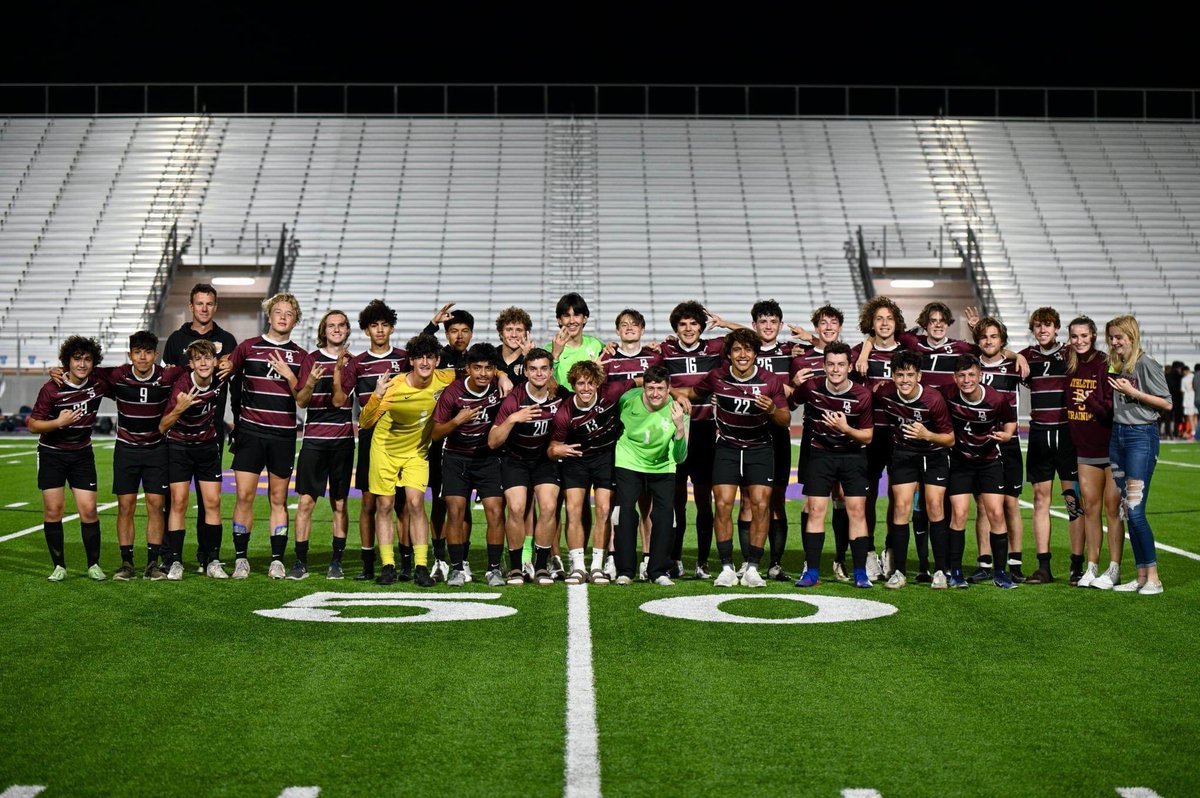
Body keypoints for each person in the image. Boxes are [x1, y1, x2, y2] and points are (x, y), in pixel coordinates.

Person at [671, 328, 790, 588]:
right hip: (726, 448)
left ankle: (753, 568)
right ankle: (726, 567)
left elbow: (785, 419)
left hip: (759, 448)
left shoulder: (770, 381)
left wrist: (770, 408)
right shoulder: (716, 377)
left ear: (756, 353)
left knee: (760, 505)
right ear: (730, 354)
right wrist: (672, 392)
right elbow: (691, 393)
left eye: (748, 349)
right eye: (737, 349)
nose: (743, 354)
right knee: (723, 505)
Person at [217, 292, 305, 579]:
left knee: (278, 499)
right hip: (251, 432)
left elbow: (302, 398)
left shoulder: (300, 356)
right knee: (244, 496)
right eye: (277, 312)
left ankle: (277, 559)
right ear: (269, 316)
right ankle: (241, 559)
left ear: (295, 320)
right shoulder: (248, 347)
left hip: (282, 435)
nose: (282, 316)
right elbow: (227, 373)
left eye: (288, 313)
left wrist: (289, 375)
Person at [359, 333, 458, 586]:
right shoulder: (394, 386)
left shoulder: (444, 378)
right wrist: (377, 396)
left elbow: (468, 372)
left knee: (416, 504)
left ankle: (422, 566)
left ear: (437, 360)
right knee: (384, 505)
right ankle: (388, 565)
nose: (425, 362)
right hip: (385, 449)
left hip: (417, 450)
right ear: (411, 361)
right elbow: (365, 422)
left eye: (430, 357)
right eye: (419, 357)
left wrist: (502, 376)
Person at [161, 282, 239, 570]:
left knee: (210, 500)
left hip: (211, 433)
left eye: (209, 303)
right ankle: (172, 557)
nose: (204, 308)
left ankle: (209, 557)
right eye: (199, 303)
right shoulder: (175, 339)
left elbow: (238, 381)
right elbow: (165, 383)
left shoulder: (228, 340)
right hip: (178, 436)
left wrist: (236, 423)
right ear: (191, 307)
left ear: (215, 307)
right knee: (176, 499)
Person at [99, 332, 188, 580]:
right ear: (130, 355)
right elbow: (87, 372)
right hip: (126, 449)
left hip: (157, 449)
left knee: (155, 506)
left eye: (148, 352)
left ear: (155, 355)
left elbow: (190, 370)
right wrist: (59, 370)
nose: (142, 357)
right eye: (137, 352)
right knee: (125, 507)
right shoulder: (118, 375)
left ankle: (152, 563)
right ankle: (127, 563)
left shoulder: (167, 375)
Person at [789, 341, 875, 588]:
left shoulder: (862, 395)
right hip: (820, 455)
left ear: (849, 366)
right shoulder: (811, 387)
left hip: (853, 456)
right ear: (823, 366)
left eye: (841, 365)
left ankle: (860, 573)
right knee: (815, 510)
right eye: (830, 364)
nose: (835, 370)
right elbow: (791, 402)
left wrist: (845, 428)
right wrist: (793, 384)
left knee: (856, 511)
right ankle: (812, 572)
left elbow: (867, 436)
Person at [871, 350, 954, 589]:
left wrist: (926, 434)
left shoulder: (933, 399)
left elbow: (949, 439)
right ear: (892, 376)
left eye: (910, 374)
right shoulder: (886, 394)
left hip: (934, 454)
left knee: (935, 506)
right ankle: (899, 571)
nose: (905, 380)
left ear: (919, 375)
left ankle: (939, 570)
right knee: (900, 507)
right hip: (904, 455)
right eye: (900, 375)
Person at [28, 337, 110, 582]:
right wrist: (58, 423)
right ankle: (59, 566)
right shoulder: (51, 388)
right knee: (54, 510)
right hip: (51, 453)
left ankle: (93, 564)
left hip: (82, 454)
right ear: (67, 361)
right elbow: (33, 424)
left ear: (93, 362)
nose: (82, 364)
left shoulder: (98, 384)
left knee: (89, 510)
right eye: (77, 359)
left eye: (87, 359)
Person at [547, 361, 635, 585]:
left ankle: (597, 566)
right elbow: (552, 448)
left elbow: (644, 381)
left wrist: (675, 393)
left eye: (590, 383)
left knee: (604, 510)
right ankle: (577, 566)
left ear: (598, 383)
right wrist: (557, 450)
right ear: (573, 385)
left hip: (605, 458)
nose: (585, 388)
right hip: (576, 460)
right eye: (580, 383)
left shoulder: (612, 391)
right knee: (574, 510)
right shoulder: (564, 413)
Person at [338, 300, 408, 581]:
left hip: (400, 436)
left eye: (384, 325)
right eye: (374, 326)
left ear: (391, 328)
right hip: (369, 437)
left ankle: (405, 563)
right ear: (366, 330)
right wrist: (337, 369)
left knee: (401, 502)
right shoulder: (357, 363)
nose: (379, 330)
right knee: (368, 503)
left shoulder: (403, 358)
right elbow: (340, 398)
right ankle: (368, 564)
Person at [489, 348, 568, 584]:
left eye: (544, 368)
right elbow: (493, 441)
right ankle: (515, 567)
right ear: (525, 371)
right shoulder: (514, 399)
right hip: (515, 460)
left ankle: (542, 565)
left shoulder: (559, 394)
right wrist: (513, 419)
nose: (539, 373)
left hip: (545, 459)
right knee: (515, 508)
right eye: (533, 369)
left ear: (551, 371)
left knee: (549, 506)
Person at [1106, 316, 1172, 595]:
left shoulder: (1146, 363)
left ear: (1132, 336)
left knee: (1135, 510)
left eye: (1119, 337)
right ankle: (1141, 575)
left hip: (1140, 437)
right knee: (1126, 510)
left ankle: (1154, 578)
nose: (1114, 342)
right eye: (1111, 337)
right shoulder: (1118, 364)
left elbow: (1166, 403)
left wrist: (1134, 392)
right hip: (1118, 436)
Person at [432, 343, 507, 587]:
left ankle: (494, 569)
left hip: (488, 459)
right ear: (468, 369)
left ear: (494, 369)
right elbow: (435, 434)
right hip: (456, 458)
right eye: (477, 368)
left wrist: (505, 377)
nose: (483, 373)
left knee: (495, 511)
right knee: (455, 512)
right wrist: (457, 420)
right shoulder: (452, 393)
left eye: (488, 368)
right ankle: (456, 569)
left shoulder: (498, 387)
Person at [940, 354, 1019, 589]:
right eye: (961, 375)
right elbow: (925, 393)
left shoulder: (996, 399)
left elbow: (1010, 420)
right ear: (955, 377)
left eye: (971, 375)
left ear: (980, 375)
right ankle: (955, 572)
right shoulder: (947, 394)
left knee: (996, 513)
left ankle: (1001, 572)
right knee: (959, 514)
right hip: (960, 462)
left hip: (989, 461)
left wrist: (1007, 434)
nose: (966, 380)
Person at [1020, 308, 1086, 585]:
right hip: (1039, 435)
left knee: (1073, 502)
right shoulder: (1027, 356)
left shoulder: (1071, 354)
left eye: (1047, 325)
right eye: (1037, 326)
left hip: (1067, 434)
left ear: (1056, 327)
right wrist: (1017, 356)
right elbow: (1001, 355)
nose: (1042, 330)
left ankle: (1077, 566)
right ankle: (1043, 566)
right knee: (1039, 501)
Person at [659, 301, 725, 578]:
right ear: (675, 328)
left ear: (702, 326)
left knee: (703, 500)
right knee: (676, 500)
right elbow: (653, 381)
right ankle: (674, 559)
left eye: (693, 323)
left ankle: (702, 560)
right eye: (682, 324)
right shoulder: (664, 351)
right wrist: (675, 393)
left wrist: (726, 323)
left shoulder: (716, 348)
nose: (688, 328)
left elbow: (757, 338)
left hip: (706, 431)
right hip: (677, 431)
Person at [789, 305, 853, 581]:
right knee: (811, 503)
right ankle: (809, 560)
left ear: (840, 326)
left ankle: (840, 559)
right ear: (815, 327)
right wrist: (794, 384)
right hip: (814, 441)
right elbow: (792, 399)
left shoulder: (851, 354)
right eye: (823, 323)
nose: (828, 327)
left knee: (841, 498)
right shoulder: (802, 359)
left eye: (833, 322)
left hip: (846, 441)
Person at [290, 310, 355, 580]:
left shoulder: (353, 363)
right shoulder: (310, 359)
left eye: (341, 325)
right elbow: (302, 401)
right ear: (323, 330)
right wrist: (312, 382)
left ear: (348, 330)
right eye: (331, 326)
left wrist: (338, 371)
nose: (336, 330)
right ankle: (300, 562)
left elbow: (339, 400)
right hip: (314, 441)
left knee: (340, 503)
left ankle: (336, 562)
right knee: (306, 502)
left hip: (342, 442)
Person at [611, 365, 690, 585]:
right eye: (651, 388)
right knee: (625, 513)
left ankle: (658, 571)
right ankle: (625, 571)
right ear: (643, 387)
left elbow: (681, 457)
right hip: (629, 461)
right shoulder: (627, 399)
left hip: (663, 467)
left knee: (665, 516)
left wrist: (680, 429)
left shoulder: (678, 410)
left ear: (669, 389)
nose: (655, 393)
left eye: (660, 388)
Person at [601, 308, 663, 577]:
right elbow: (604, 396)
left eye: (634, 324)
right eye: (624, 324)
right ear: (617, 331)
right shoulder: (608, 359)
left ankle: (648, 558)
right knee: (619, 503)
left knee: (646, 504)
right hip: (618, 437)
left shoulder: (654, 357)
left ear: (643, 329)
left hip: (649, 440)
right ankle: (613, 557)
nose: (629, 328)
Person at [1064, 316, 1125, 590]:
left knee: (1113, 508)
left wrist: (1089, 400)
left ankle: (1114, 569)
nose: (1079, 341)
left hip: (1111, 446)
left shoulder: (1105, 363)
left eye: (1084, 336)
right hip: (1084, 447)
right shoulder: (1069, 363)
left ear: (1093, 336)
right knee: (1090, 508)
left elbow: (1111, 409)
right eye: (1074, 336)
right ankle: (1091, 567)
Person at [159, 341, 228, 580]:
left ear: (215, 361)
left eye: (207, 358)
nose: (203, 363)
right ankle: (176, 561)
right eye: (198, 359)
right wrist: (180, 408)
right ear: (191, 363)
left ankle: (213, 560)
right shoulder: (182, 385)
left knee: (213, 503)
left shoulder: (220, 377)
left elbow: (238, 358)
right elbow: (162, 426)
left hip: (207, 447)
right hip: (180, 447)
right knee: (178, 502)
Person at [849, 296, 906, 580]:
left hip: (900, 434)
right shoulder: (858, 352)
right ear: (871, 324)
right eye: (879, 319)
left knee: (899, 496)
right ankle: (869, 551)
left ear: (897, 323)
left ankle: (891, 549)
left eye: (889, 318)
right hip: (870, 434)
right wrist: (864, 350)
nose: (884, 323)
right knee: (867, 496)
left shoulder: (907, 351)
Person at [971, 318, 1027, 584]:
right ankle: (984, 562)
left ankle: (1014, 562)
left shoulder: (1014, 365)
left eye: (994, 336)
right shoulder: (971, 366)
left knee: (1010, 504)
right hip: (980, 443)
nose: (989, 341)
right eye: (983, 337)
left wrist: (1018, 356)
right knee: (982, 504)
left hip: (1008, 442)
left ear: (1002, 340)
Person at [422, 304, 475, 580]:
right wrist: (432, 324)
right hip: (440, 440)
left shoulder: (477, 359)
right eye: (453, 331)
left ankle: (462, 559)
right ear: (446, 333)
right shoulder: (437, 357)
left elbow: (503, 370)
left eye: (465, 331)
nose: (459, 336)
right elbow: (417, 352)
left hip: (470, 441)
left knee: (464, 503)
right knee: (440, 502)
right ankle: (440, 558)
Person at [495, 306, 534, 384]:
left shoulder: (534, 358)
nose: (514, 335)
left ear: (526, 334)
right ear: (501, 333)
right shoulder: (491, 356)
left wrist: (526, 356)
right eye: (509, 329)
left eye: (519, 330)